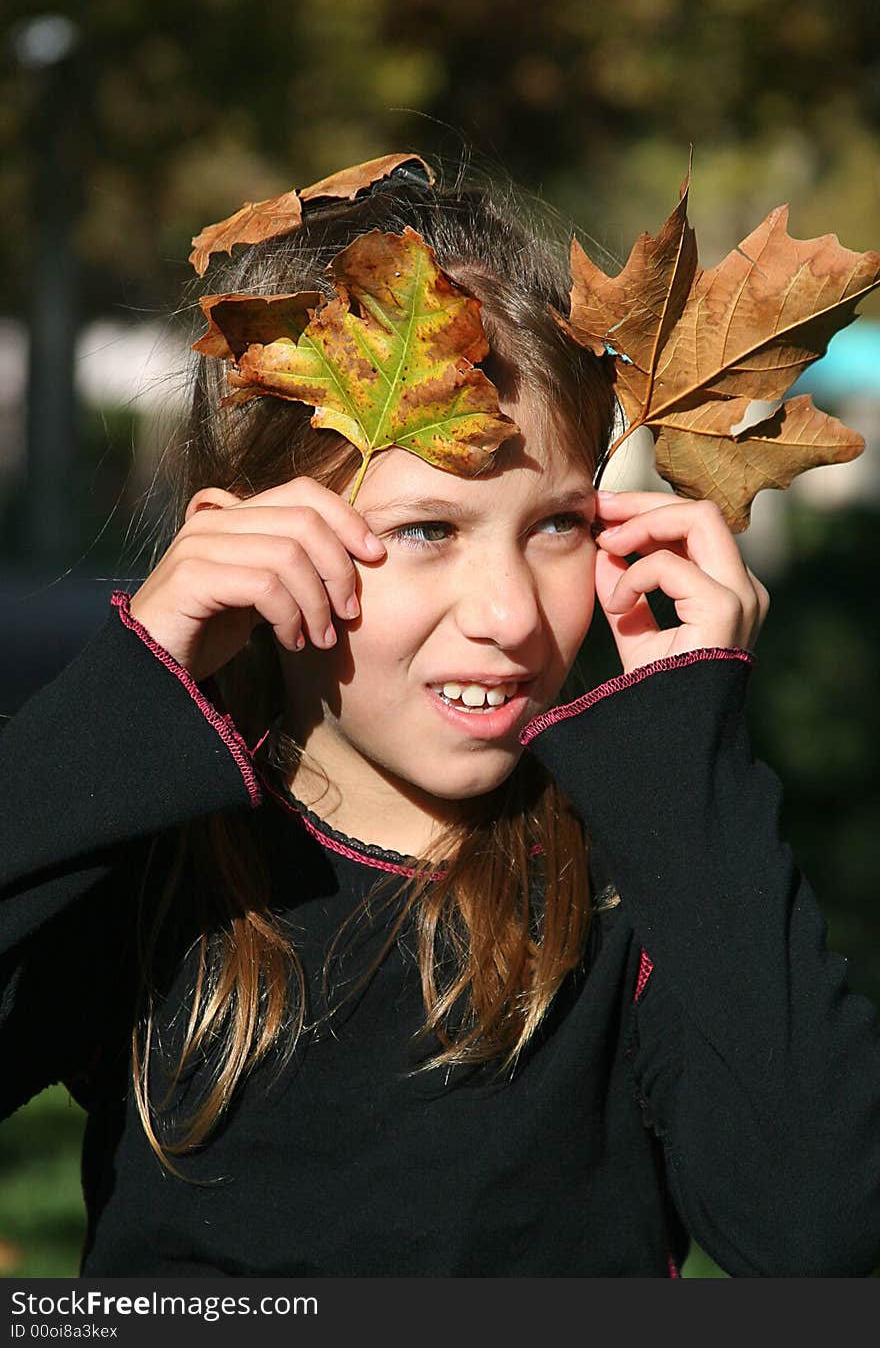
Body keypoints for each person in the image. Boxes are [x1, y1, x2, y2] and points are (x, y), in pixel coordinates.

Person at [1, 160, 879, 1280]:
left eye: (559, 523)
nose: (511, 613)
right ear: (251, 544)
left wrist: (688, 753)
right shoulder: (150, 860)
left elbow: (821, 1233)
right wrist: (134, 687)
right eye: (427, 530)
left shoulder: (640, 878)